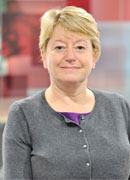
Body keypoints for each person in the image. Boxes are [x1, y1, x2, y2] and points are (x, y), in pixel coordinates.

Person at [3, 6, 130, 180]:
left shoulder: (120, 107)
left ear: (94, 56)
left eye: (80, 47)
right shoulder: (23, 115)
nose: (70, 56)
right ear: (44, 55)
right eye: (60, 47)